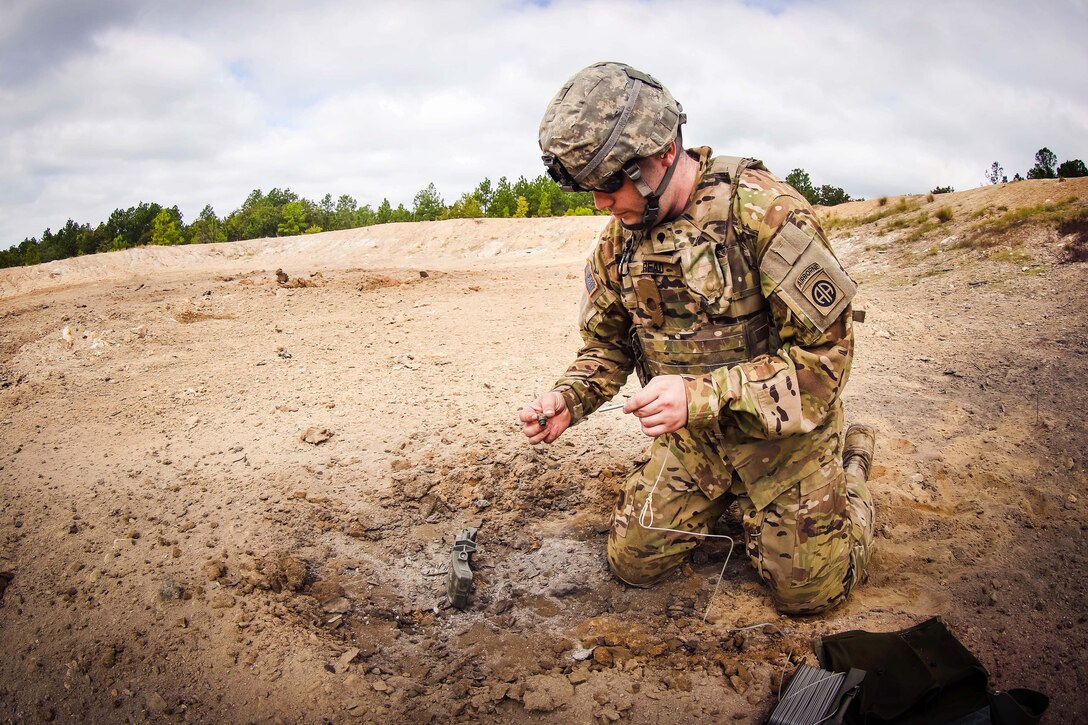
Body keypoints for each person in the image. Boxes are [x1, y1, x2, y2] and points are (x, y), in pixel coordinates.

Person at [518, 61, 876, 615]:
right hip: (696, 445)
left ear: (662, 152)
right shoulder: (619, 245)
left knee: (811, 595)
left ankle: (850, 470)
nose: (601, 204)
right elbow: (607, 347)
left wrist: (701, 396)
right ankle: (726, 499)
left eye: (611, 184)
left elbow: (825, 364)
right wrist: (570, 398)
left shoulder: (765, 215)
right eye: (592, 188)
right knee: (632, 565)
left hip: (782, 446)